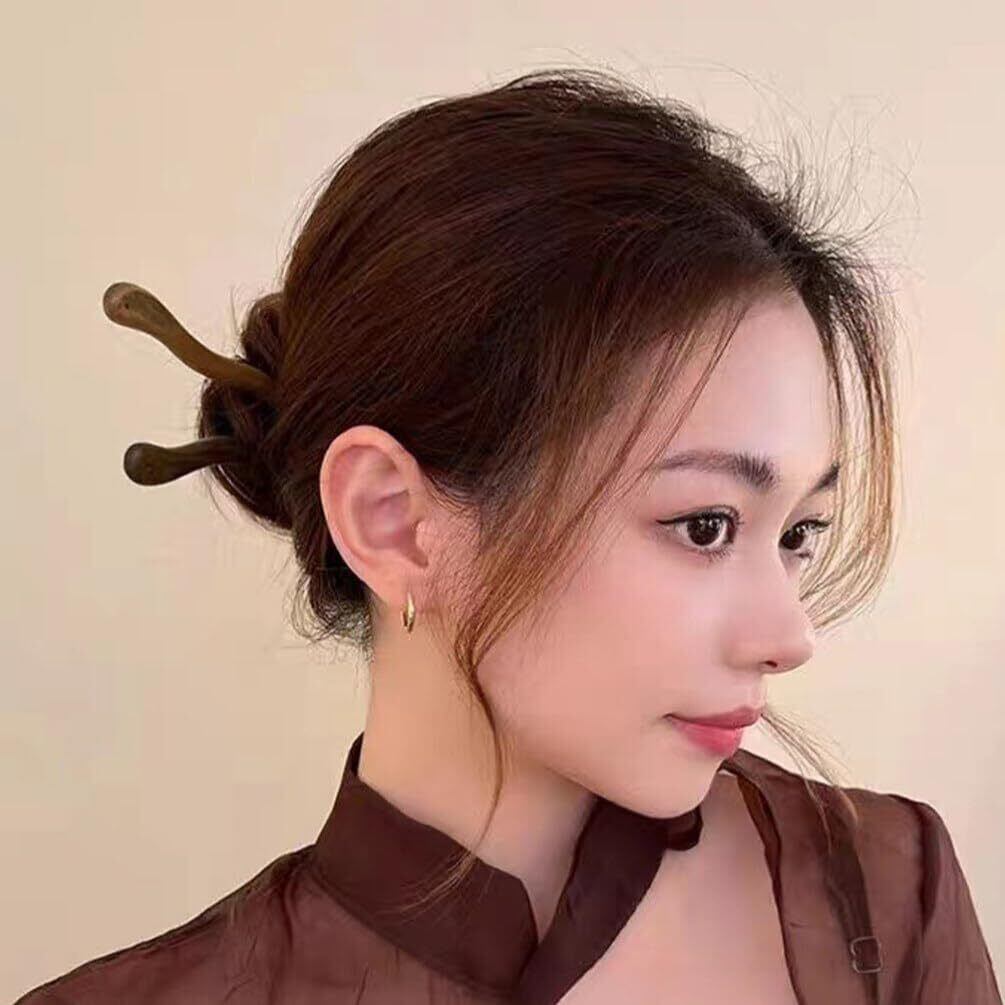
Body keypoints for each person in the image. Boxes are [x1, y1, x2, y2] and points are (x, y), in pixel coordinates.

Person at [15, 66, 1000, 1004]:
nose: (789, 636)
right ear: (394, 521)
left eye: (799, 533)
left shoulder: (884, 897)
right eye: (706, 525)